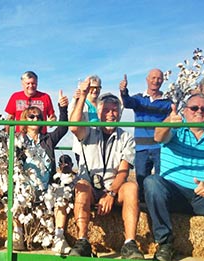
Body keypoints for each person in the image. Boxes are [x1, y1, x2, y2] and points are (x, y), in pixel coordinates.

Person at [145, 94, 204, 261]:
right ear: (185, 111)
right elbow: (158, 136)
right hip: (174, 195)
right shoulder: (175, 127)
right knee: (151, 182)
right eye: (194, 108)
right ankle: (165, 244)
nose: (199, 111)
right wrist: (167, 122)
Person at [69, 78, 144, 259]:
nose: (111, 114)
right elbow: (72, 126)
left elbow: (124, 170)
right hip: (90, 186)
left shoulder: (126, 137)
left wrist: (110, 193)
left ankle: (130, 244)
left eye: (115, 110)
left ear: (119, 114)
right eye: (107, 110)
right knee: (81, 186)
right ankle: (83, 241)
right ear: (99, 112)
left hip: (114, 189)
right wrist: (83, 95)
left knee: (132, 187)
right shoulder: (89, 130)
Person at [12, 90, 69, 252]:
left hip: (46, 189)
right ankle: (18, 235)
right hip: (25, 189)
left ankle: (59, 237)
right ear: (25, 119)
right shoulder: (18, 140)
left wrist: (62, 108)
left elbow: (63, 128)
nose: (35, 119)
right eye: (31, 116)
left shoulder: (48, 139)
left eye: (39, 117)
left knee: (61, 196)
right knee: (12, 194)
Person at [119, 69, 172, 200]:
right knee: (141, 178)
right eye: (153, 78)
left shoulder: (168, 102)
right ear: (147, 79)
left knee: (161, 179)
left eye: (159, 78)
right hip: (141, 148)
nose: (156, 81)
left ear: (163, 80)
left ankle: (161, 204)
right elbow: (127, 103)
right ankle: (143, 207)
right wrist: (123, 91)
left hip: (160, 147)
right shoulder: (139, 99)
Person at [68, 75, 102, 164]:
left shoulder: (103, 104)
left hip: (100, 146)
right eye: (92, 88)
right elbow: (71, 120)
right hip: (83, 146)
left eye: (98, 88)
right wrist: (76, 99)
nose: (95, 90)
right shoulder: (78, 102)